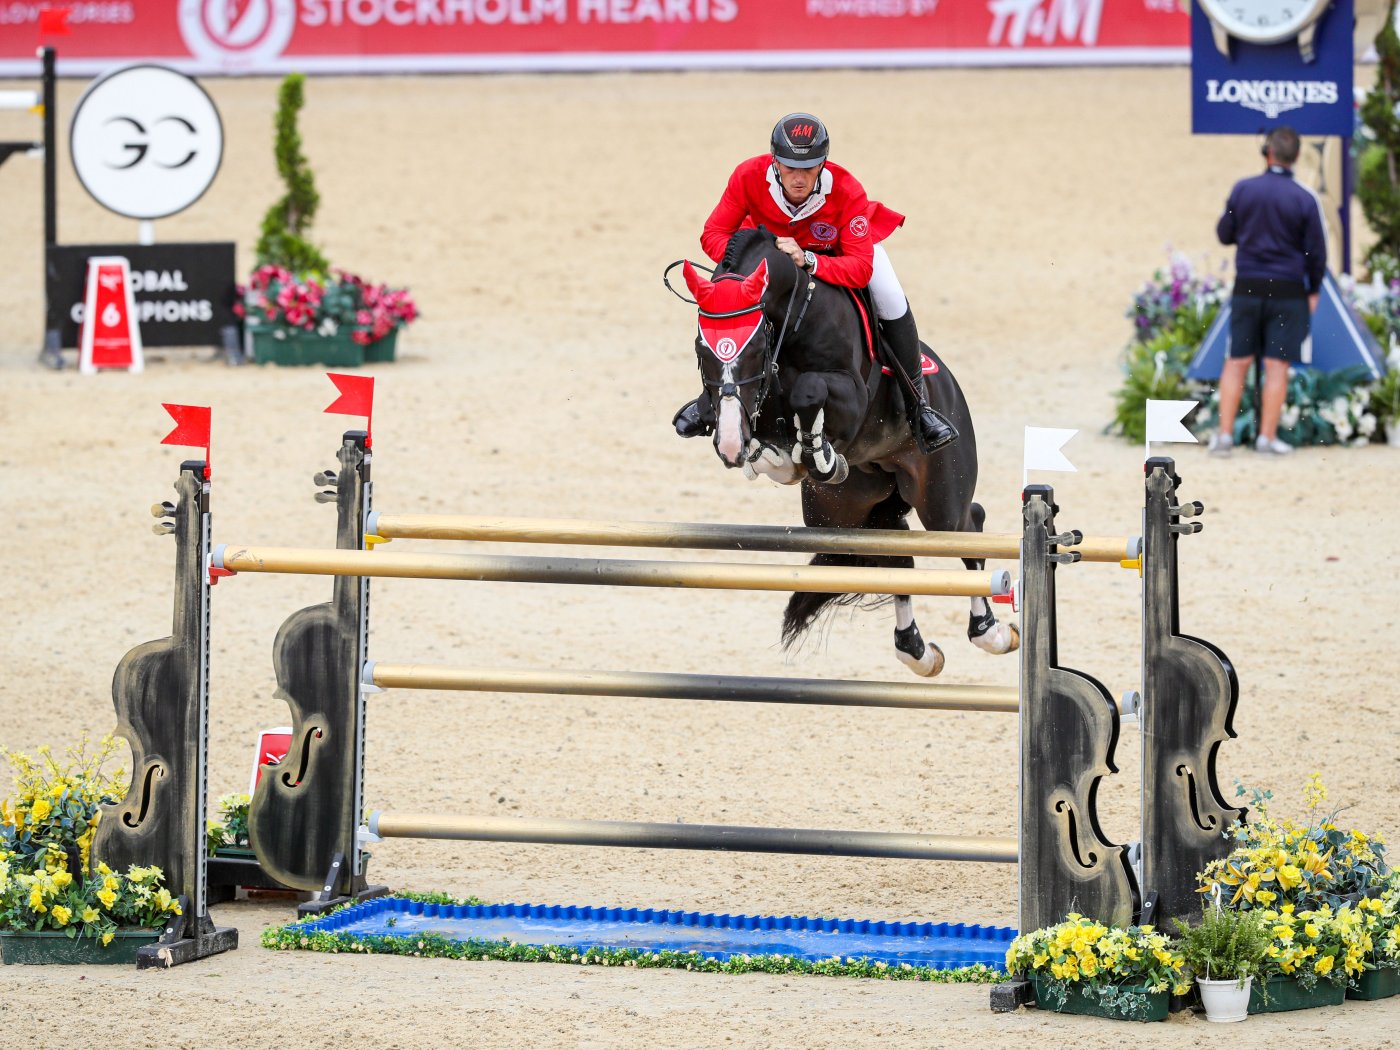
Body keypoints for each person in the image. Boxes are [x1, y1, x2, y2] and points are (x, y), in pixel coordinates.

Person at [673, 112, 958, 455]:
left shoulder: (846, 188)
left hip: (837, 251)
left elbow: (858, 269)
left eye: (809, 168)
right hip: (777, 253)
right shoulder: (748, 175)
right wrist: (760, 256)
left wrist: (808, 261)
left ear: (823, 163)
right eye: (790, 167)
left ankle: (918, 406)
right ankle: (709, 398)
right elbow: (714, 234)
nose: (798, 178)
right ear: (775, 162)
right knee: (725, 290)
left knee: (890, 297)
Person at [1211, 125, 1326, 457]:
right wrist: (1314, 289)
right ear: (1296, 156)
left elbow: (1224, 234)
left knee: (1237, 362)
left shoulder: (1243, 189)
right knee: (1277, 366)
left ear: (1268, 152)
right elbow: (1316, 252)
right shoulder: (1305, 198)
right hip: (1289, 290)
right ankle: (1266, 437)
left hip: (1248, 285)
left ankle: (1224, 436)